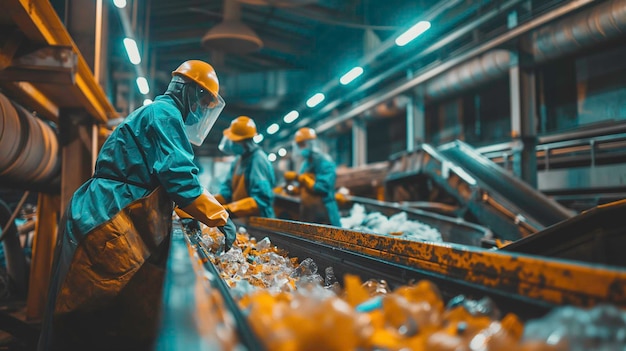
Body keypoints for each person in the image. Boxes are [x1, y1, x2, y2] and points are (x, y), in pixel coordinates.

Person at [38, 60, 237, 351]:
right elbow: (179, 177)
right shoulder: (165, 115)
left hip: (107, 209)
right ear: (190, 92)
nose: (202, 111)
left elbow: (158, 179)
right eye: (203, 102)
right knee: (80, 310)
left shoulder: (160, 113)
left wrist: (186, 212)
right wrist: (219, 216)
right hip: (105, 215)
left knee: (87, 309)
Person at [215, 116, 276, 218]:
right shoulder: (238, 160)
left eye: (233, 141)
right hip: (241, 219)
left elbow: (262, 199)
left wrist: (229, 210)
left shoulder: (259, 160)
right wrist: (210, 202)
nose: (231, 144)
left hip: (259, 221)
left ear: (244, 142)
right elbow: (227, 190)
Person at [285, 127, 341, 227]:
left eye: (302, 145)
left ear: (311, 143)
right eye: (298, 145)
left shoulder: (325, 162)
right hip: (309, 213)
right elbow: (303, 188)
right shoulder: (305, 164)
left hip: (325, 213)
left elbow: (323, 187)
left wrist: (301, 178)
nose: (300, 148)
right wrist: (293, 189)